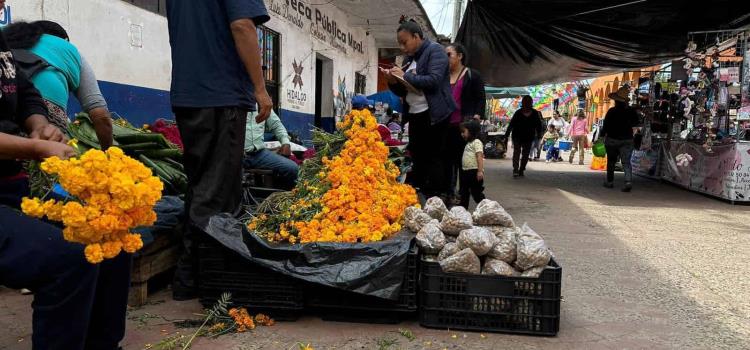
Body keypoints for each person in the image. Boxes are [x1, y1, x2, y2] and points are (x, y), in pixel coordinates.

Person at [0, 27, 132, 349]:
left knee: (111, 236)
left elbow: (25, 91)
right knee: (71, 258)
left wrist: (38, 125)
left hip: (9, 185)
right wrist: (34, 150)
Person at [166, 0, 271, 300]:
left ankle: (191, 278)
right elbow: (242, 26)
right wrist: (261, 89)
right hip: (220, 96)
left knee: (201, 186)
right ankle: (199, 280)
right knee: (218, 192)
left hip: (189, 95)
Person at [3, 20, 113, 148]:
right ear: (64, 40)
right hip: (44, 119)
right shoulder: (69, 50)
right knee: (47, 158)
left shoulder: (9, 39)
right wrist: (108, 154)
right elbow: (99, 114)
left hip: (8, 105)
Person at [382, 20, 456, 199]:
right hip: (415, 115)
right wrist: (392, 81)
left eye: (404, 42)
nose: (402, 47)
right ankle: (421, 197)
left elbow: (433, 81)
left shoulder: (435, 51)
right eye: (400, 43)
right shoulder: (409, 59)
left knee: (434, 159)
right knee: (417, 157)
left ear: (416, 37)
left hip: (434, 116)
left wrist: (404, 75)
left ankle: (437, 199)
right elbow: (404, 90)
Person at [445, 42, 486, 203]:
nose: (446, 58)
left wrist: (476, 118)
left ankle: (464, 197)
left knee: (465, 163)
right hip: (447, 126)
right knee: (448, 162)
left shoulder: (472, 75)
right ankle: (449, 194)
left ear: (460, 56)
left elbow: (480, 98)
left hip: (465, 128)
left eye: (449, 54)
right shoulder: (443, 75)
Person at [244, 108, 298, 190]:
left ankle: (279, 199)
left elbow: (276, 124)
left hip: (259, 153)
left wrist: (285, 142)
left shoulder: (261, 103)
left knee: (291, 168)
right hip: (234, 153)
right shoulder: (235, 100)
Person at [602, 86, 639, 192]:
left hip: (612, 139)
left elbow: (605, 126)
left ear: (616, 101)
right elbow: (636, 123)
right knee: (626, 162)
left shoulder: (611, 111)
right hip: (627, 139)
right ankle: (628, 181)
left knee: (611, 161)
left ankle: (610, 182)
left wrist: (601, 136)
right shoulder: (631, 111)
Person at [506, 95, 544, 178]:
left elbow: (539, 125)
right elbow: (511, 124)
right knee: (516, 152)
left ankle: (522, 169)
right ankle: (515, 169)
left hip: (529, 137)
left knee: (526, 154)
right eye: (525, 102)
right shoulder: (518, 113)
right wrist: (507, 134)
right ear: (523, 103)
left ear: (531, 103)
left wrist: (539, 135)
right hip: (517, 136)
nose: (527, 104)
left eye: (528, 102)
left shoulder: (535, 113)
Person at [459, 121, 485, 209]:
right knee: (464, 192)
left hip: (474, 172)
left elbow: (479, 157)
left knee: (476, 192)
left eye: (464, 132)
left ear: (471, 131)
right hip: (466, 172)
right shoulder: (468, 143)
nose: (462, 134)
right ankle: (463, 209)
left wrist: (480, 171)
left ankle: (486, 207)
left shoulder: (476, 142)